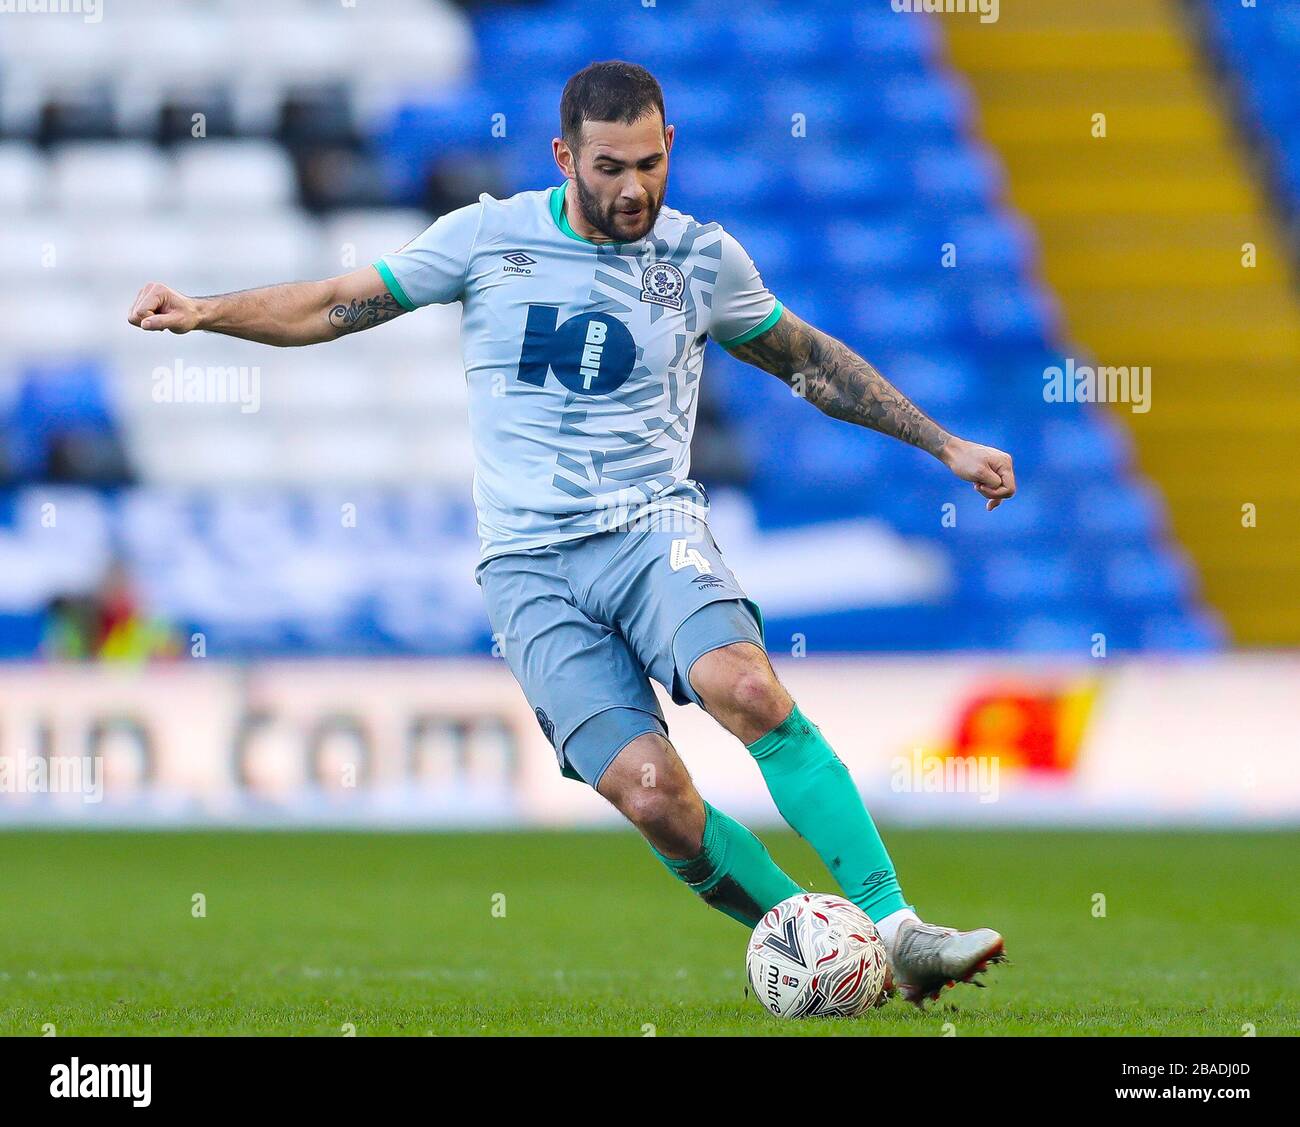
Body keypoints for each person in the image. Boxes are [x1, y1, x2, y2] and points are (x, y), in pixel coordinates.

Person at [128, 60, 1015, 1004]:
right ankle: (823, 948)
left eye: (648, 162)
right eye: (607, 167)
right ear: (564, 157)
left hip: (649, 529)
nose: (632, 187)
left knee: (746, 684)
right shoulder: (485, 238)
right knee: (652, 799)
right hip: (526, 568)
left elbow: (811, 364)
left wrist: (944, 443)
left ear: (669, 146)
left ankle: (896, 928)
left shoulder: (704, 260)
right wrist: (206, 311)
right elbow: (336, 303)